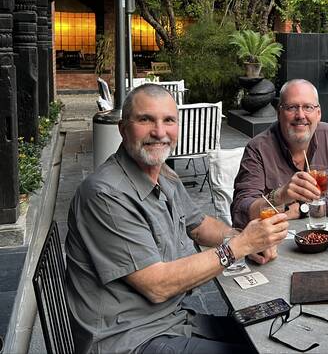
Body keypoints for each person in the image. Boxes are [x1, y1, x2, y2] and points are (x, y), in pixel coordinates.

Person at [65, 84, 288, 354]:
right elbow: (157, 285)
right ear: (123, 129)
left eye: (168, 120)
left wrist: (242, 238)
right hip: (129, 340)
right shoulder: (104, 195)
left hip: (172, 321)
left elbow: (200, 224)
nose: (159, 132)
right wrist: (238, 247)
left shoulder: (164, 176)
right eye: (145, 119)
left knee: (272, 334)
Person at [232, 79, 328, 233]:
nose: (300, 115)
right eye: (292, 107)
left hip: (320, 241)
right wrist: (280, 196)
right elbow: (240, 212)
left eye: (308, 107)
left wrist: (303, 209)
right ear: (279, 113)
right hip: (275, 244)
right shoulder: (258, 148)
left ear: (318, 113)